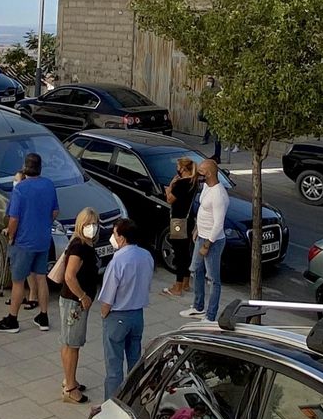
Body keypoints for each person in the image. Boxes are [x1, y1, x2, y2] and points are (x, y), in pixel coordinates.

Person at [0, 153, 58, 334]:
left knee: (18, 281)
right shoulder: (49, 185)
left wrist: (11, 236)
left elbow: (14, 218)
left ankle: (12, 319)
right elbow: (54, 212)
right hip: (43, 239)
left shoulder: (20, 189)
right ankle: (43, 316)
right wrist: (43, 224)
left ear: (25, 167)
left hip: (24, 241)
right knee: (41, 277)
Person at [98, 219, 154, 402]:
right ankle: (133, 399)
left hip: (118, 316)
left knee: (114, 366)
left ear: (121, 238)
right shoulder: (146, 256)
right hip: (137, 315)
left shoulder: (117, 261)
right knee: (135, 362)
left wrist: (104, 314)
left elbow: (107, 297)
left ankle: (111, 404)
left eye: (114, 234)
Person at [57, 208, 102, 404]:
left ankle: (70, 379)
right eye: (88, 224)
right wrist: (83, 296)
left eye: (94, 223)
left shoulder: (84, 244)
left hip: (74, 302)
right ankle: (70, 388)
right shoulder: (79, 247)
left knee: (69, 342)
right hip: (74, 303)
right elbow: (69, 276)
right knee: (72, 345)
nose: (92, 227)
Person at [182, 159, 229, 322]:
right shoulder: (206, 188)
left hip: (212, 241)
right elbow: (203, 209)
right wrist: (197, 228)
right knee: (196, 269)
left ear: (208, 173)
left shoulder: (219, 195)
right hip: (201, 236)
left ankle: (210, 315)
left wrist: (207, 245)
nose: (197, 174)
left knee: (213, 279)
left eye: (201, 171)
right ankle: (198, 306)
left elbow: (218, 224)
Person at [161, 157, 198, 297]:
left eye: (178, 166)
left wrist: (169, 187)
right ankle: (186, 283)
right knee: (186, 252)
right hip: (188, 220)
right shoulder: (193, 182)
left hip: (178, 222)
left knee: (178, 252)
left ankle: (177, 286)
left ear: (183, 169)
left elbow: (170, 199)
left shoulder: (181, 184)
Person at [199, 76, 221, 162]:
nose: (209, 83)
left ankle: (217, 155)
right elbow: (201, 98)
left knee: (216, 135)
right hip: (207, 111)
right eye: (208, 81)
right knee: (205, 121)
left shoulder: (217, 89)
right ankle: (216, 155)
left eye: (210, 81)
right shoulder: (205, 89)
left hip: (215, 112)